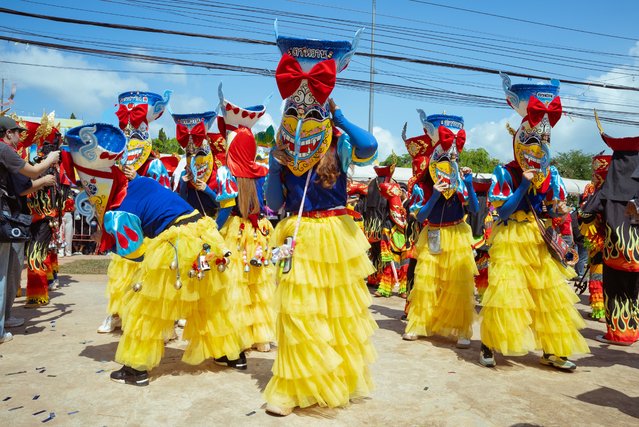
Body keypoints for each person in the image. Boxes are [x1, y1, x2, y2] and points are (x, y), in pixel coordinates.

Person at [64, 122, 252, 386]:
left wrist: (113, 242)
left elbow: (135, 254)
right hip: (205, 233)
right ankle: (232, 354)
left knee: (146, 303)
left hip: (176, 239)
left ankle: (136, 368)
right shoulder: (139, 181)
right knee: (210, 300)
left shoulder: (117, 211)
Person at [263, 28, 378, 416]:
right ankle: (306, 386)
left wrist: (338, 115)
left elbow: (370, 146)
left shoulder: (332, 145)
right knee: (313, 313)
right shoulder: (301, 147)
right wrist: (272, 168)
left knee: (322, 313)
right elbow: (275, 202)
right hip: (313, 233)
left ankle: (321, 384)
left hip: (322, 233)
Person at [479, 74, 589, 370]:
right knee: (505, 294)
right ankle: (489, 344)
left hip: (540, 238)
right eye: (530, 141)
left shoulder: (551, 174)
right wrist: (523, 186)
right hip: (511, 236)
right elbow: (501, 212)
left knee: (550, 295)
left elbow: (551, 210)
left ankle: (554, 350)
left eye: (541, 142)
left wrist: (559, 211)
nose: (536, 148)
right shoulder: (504, 173)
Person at [401, 113, 479, 349]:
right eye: (442, 157)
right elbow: (420, 217)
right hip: (432, 233)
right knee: (426, 282)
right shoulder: (422, 185)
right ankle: (418, 325)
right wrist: (434, 194)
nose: (447, 161)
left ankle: (461, 330)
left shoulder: (460, 181)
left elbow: (474, 209)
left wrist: (469, 184)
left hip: (456, 234)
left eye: (450, 157)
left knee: (457, 284)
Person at [217, 86, 275, 353]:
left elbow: (220, 211)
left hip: (235, 231)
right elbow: (273, 203)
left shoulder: (227, 174)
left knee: (236, 284)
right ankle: (261, 337)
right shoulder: (262, 172)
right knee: (259, 286)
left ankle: (238, 335)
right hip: (260, 232)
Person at [0, 115, 59, 344]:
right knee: (3, 274)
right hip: (7, 215)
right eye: (16, 132)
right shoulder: (5, 150)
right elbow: (33, 174)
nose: (19, 136)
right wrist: (48, 163)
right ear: (7, 134)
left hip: (12, 216)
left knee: (9, 270)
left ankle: (5, 318)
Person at [581, 115, 639, 345]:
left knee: (614, 293)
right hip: (636, 255)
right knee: (633, 294)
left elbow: (586, 212)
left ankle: (617, 334)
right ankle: (632, 333)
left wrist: (599, 228)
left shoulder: (608, 189)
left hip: (615, 253)